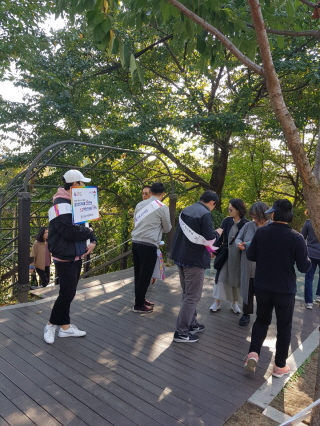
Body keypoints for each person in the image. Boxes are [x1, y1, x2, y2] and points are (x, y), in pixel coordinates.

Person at [244, 199, 310, 378]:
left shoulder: (261, 233)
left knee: (261, 321)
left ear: (274, 214)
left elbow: (251, 255)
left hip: (262, 286)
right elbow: (304, 267)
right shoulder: (296, 237)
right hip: (284, 289)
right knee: (284, 326)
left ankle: (253, 354)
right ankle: (280, 366)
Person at [44, 169, 97, 344]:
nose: (85, 186)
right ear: (74, 185)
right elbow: (69, 232)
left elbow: (86, 224)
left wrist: (93, 240)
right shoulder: (60, 205)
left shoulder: (79, 201)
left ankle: (65, 327)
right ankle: (51, 324)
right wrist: (88, 232)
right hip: (65, 255)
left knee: (69, 292)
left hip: (77, 254)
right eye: (82, 183)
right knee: (67, 293)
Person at [171, 190, 223, 343]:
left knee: (187, 294)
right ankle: (181, 332)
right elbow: (210, 238)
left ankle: (192, 323)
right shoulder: (205, 214)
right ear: (212, 203)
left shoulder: (186, 210)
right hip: (194, 260)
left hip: (180, 256)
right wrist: (218, 232)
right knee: (192, 297)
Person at [131, 182, 172, 313]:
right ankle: (138, 304)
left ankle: (140, 299)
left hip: (136, 241)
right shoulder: (162, 207)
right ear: (163, 194)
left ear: (151, 191)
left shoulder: (139, 204)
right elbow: (167, 228)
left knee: (138, 273)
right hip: (149, 243)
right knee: (146, 274)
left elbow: (135, 223)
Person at [210, 198, 248, 314]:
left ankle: (234, 303)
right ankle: (217, 302)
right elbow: (220, 237)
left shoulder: (246, 224)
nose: (229, 208)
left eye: (231, 207)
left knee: (236, 280)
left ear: (238, 209)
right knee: (221, 278)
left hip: (239, 257)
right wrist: (213, 250)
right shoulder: (226, 221)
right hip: (226, 254)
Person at [235, 202, 271, 326]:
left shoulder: (272, 226)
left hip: (265, 267)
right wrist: (239, 244)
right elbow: (238, 238)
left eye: (256, 216)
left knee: (263, 293)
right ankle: (246, 314)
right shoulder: (248, 225)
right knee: (248, 290)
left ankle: (263, 316)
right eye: (252, 216)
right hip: (248, 264)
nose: (254, 218)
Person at [301, 210, 320, 309]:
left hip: (311, 253)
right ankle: (319, 295)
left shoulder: (308, 223)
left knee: (309, 278)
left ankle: (309, 302)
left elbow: (301, 237)